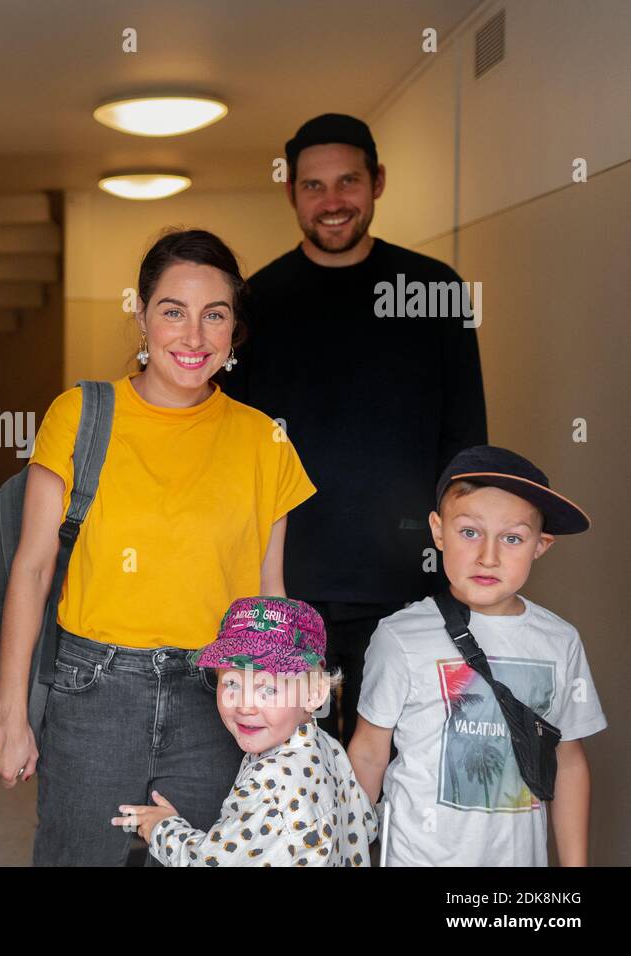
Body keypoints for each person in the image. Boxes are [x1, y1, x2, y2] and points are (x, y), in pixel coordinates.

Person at [0, 229, 317, 866]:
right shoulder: (81, 413)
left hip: (216, 699)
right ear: (141, 315)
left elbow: (269, 594)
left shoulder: (263, 440)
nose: (193, 338)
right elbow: (31, 567)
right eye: (173, 312)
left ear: (234, 329)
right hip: (91, 694)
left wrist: (284, 721)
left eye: (214, 315)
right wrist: (9, 712)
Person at [223, 113, 488, 746]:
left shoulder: (434, 291)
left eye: (348, 181)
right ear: (290, 192)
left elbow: (466, 445)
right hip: (288, 588)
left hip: (411, 589)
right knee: (296, 778)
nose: (333, 201)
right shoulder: (257, 303)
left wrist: (465, 569)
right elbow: (231, 453)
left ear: (378, 182)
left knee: (403, 770)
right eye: (314, 186)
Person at [347, 445, 606, 866]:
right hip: (419, 857)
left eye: (512, 538)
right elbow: (369, 753)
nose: (489, 555)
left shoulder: (560, 641)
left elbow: (569, 761)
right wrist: (349, 854)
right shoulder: (399, 637)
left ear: (540, 545)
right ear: (437, 531)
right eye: (469, 532)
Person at [113, 597, 378, 866]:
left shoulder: (269, 783)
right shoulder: (328, 746)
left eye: (269, 689)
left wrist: (163, 828)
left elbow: (211, 863)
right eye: (232, 683)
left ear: (314, 694)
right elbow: (365, 823)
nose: (245, 705)